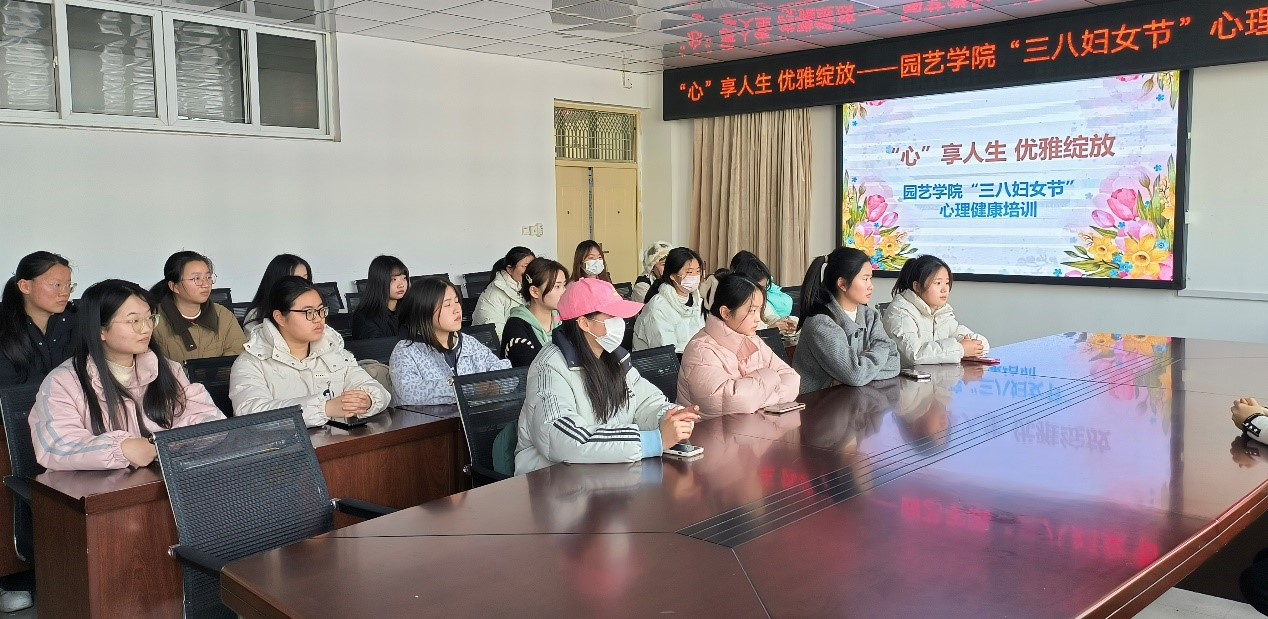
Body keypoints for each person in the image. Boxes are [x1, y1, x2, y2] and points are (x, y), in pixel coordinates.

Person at [30, 279, 225, 471]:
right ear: (100, 330)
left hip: (159, 480)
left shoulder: (168, 369)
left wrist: (175, 442)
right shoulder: (63, 382)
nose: (146, 328)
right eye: (134, 321)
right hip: (94, 486)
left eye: (150, 318)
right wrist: (120, 448)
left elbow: (207, 418)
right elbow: (56, 445)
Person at [515, 277, 700, 475]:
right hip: (552, 479)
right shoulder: (549, 367)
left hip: (604, 472)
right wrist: (652, 441)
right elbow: (561, 437)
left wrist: (669, 417)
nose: (620, 322)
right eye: (612, 316)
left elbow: (645, 402)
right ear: (584, 323)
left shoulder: (614, 356)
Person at [229, 276, 388, 427]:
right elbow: (250, 413)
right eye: (308, 312)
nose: (318, 318)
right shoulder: (250, 363)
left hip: (337, 441)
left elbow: (376, 389)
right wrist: (324, 409)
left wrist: (368, 400)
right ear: (279, 317)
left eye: (321, 310)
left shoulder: (333, 351)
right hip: (285, 446)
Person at [677, 274, 800, 419]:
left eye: (759, 310)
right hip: (709, 432)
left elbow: (793, 379)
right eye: (752, 311)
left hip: (753, 427)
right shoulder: (700, 351)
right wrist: (771, 377)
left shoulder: (753, 340)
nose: (758, 319)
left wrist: (756, 399)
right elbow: (733, 401)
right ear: (725, 313)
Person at [792, 247, 900, 391]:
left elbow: (895, 362)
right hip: (818, 403)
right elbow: (855, 375)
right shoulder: (821, 324)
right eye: (865, 279)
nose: (871, 286)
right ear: (842, 284)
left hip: (853, 397)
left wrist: (853, 376)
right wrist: (876, 357)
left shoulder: (870, 316)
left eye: (870, 278)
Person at [390, 277, 510, 406]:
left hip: (480, 416)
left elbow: (506, 372)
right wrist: (469, 388)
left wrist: (497, 385)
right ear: (423, 311)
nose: (457, 309)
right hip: (434, 419)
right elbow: (409, 392)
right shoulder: (406, 351)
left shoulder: (468, 343)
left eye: (457, 301)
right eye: (447, 304)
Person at [881, 254, 989, 367]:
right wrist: (960, 349)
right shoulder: (899, 312)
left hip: (934, 376)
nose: (944, 289)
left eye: (947, 283)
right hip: (902, 377)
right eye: (938, 283)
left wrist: (975, 346)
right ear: (917, 286)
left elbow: (977, 342)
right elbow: (914, 355)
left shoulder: (941, 311)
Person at [149, 251, 246, 362]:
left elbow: (239, 358)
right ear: (174, 286)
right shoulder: (153, 321)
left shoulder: (223, 316)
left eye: (208, 277)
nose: (206, 284)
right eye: (196, 278)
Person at [0, 251, 77, 386]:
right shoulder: (5, 328)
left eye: (68, 285)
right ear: (25, 286)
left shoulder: (76, 323)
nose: (65, 293)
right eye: (56, 285)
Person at [633, 247, 706, 353]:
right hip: (661, 361)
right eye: (689, 272)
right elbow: (666, 350)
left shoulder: (699, 302)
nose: (695, 276)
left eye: (698, 271)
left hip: (694, 358)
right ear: (672, 275)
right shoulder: (658, 307)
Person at [501, 258, 567, 368]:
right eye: (557, 286)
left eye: (564, 285)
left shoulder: (563, 320)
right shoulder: (516, 328)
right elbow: (528, 373)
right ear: (534, 292)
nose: (564, 291)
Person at [472, 246, 536, 339]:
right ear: (510, 269)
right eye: (526, 266)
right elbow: (496, 335)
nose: (531, 271)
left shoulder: (530, 288)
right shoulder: (493, 295)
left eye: (533, 266)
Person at [243, 254, 312, 332]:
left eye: (305, 278)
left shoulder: (315, 309)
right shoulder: (256, 316)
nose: (304, 285)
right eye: (296, 280)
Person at [350, 255, 409, 340]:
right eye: (393, 279)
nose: (401, 285)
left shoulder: (409, 310)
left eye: (404, 278)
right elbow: (377, 347)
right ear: (379, 282)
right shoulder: (365, 318)